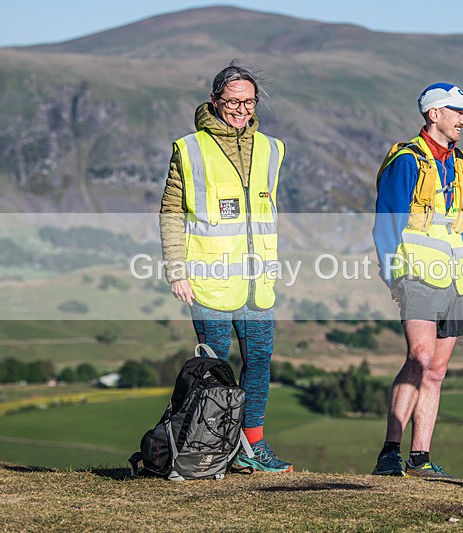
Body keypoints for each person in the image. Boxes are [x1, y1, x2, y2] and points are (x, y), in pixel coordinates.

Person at [159, 60, 292, 473]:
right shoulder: (190, 148)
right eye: (232, 101)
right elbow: (171, 212)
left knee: (258, 364)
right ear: (215, 100)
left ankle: (253, 447)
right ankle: (212, 447)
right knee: (215, 368)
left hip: (258, 285)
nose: (240, 108)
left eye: (248, 101)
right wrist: (176, 270)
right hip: (209, 282)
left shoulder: (273, 148)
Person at [371, 83, 463, 478]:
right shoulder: (406, 161)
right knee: (418, 359)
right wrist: (392, 274)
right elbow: (387, 222)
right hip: (414, 274)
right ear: (434, 113)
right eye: (458, 112)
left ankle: (420, 459)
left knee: (436, 369)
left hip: (454, 277)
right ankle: (389, 452)